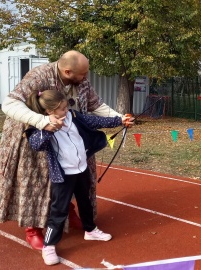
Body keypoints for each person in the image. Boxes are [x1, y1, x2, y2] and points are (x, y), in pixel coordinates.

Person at [0, 50, 128, 250]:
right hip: (36, 138)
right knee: (36, 183)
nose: (86, 78)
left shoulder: (80, 81)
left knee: (77, 176)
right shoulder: (39, 76)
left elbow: (96, 105)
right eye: (83, 74)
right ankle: (34, 229)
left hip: (70, 137)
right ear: (67, 72)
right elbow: (9, 103)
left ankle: (69, 212)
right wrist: (42, 122)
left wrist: (120, 118)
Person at [24, 90, 129, 265]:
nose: (67, 110)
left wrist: (120, 120)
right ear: (50, 112)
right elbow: (36, 144)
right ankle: (49, 246)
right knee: (59, 210)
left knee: (85, 201)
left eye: (66, 106)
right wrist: (50, 128)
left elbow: (95, 121)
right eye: (63, 108)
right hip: (64, 174)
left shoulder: (74, 116)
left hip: (81, 169)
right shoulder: (41, 126)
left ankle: (90, 230)